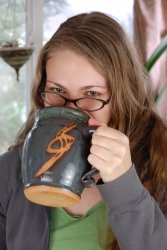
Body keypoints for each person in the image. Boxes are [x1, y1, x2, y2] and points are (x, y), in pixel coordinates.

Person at [0, 11, 167, 250]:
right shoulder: (9, 174)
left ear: (122, 96)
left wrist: (123, 183)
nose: (72, 111)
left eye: (92, 94)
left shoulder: (161, 167)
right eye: (57, 91)